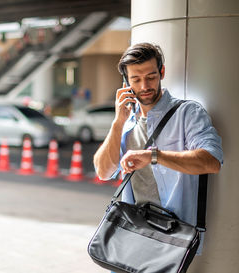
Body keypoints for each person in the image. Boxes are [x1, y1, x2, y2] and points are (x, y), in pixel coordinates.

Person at [93, 43, 223, 253]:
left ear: (161, 72)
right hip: (132, 233)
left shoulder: (188, 113)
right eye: (136, 79)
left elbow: (211, 161)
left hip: (172, 240)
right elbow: (104, 171)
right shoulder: (126, 122)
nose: (144, 86)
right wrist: (117, 123)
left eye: (151, 77)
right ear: (126, 82)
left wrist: (154, 156)